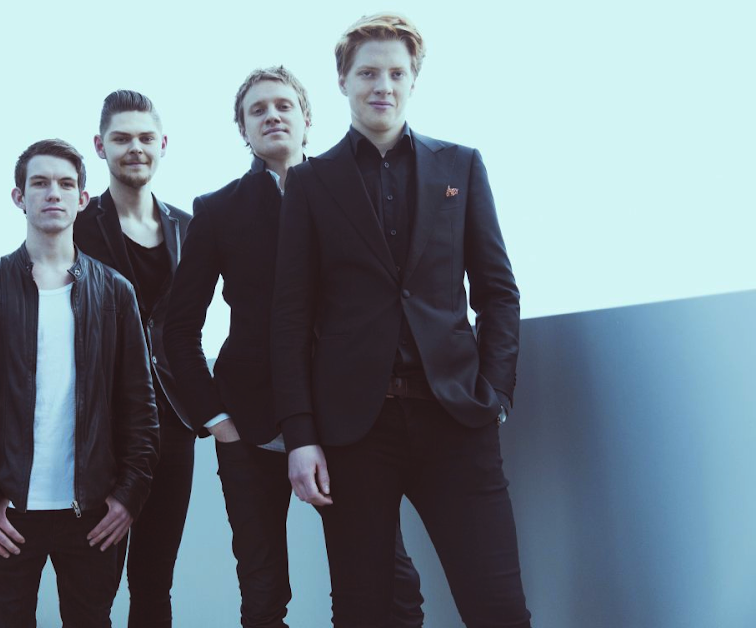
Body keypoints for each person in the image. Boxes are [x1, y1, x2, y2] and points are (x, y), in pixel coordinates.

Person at [272, 13, 532, 628]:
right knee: (363, 611)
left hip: (456, 420)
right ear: (343, 81)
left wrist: (495, 394)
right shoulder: (310, 182)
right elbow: (290, 318)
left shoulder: (461, 166)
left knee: (497, 607)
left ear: (413, 79)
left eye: (396, 73)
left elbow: (498, 293)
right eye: (368, 73)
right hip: (355, 433)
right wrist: (301, 436)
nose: (382, 85)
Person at [165, 66, 425, 628]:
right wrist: (217, 420)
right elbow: (177, 329)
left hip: (346, 420)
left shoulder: (353, 193)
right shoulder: (218, 209)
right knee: (263, 595)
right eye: (257, 110)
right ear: (243, 130)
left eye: (283, 105)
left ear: (307, 118)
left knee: (386, 584)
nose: (272, 116)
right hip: (250, 426)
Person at [0, 139, 159, 627]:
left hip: (94, 514)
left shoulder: (116, 294)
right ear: (19, 197)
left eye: (65, 184)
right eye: (39, 183)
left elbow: (141, 411)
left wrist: (128, 498)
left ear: (83, 199)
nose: (53, 193)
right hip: (8, 513)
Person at [73, 90, 194, 628]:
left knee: (154, 580)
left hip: (174, 422)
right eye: (121, 139)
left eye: (146, 138)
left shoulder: (189, 227)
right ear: (100, 147)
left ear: (163, 144)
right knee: (93, 583)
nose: (135, 148)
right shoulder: (78, 224)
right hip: (100, 426)